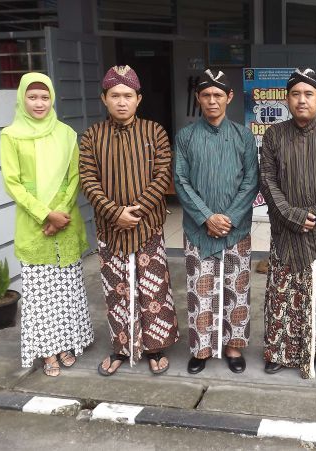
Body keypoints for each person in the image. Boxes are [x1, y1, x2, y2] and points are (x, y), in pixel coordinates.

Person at [79, 65, 178, 376]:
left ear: (139, 99)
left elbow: (162, 175)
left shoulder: (154, 132)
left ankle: (155, 347)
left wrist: (137, 210)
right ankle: (121, 348)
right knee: (117, 291)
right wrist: (114, 212)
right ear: (104, 99)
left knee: (153, 290)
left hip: (147, 226)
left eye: (128, 95)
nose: (121, 101)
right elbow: (88, 179)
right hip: (111, 229)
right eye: (115, 95)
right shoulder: (93, 136)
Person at [0, 72, 94, 377]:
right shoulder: (11, 135)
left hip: (65, 221)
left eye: (44, 97)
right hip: (34, 225)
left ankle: (66, 343)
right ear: (22, 99)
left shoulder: (66, 134)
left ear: (52, 98)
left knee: (66, 290)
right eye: (32, 97)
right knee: (41, 295)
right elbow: (13, 183)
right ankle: (48, 351)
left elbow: (74, 177)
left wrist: (60, 213)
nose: (39, 103)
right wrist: (45, 215)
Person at [260, 67, 316, 379]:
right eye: (296, 94)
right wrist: (293, 215)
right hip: (284, 228)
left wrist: (314, 214)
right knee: (281, 292)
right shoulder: (274, 135)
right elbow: (267, 179)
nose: (302, 99)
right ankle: (276, 350)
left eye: (308, 94)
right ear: (287, 99)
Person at [174, 69, 259, 374]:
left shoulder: (243, 136)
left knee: (236, 288)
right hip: (199, 229)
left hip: (236, 228)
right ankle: (202, 349)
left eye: (218, 95)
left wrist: (230, 218)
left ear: (229, 97)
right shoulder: (186, 136)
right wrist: (206, 217)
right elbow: (181, 180)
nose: (212, 100)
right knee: (201, 290)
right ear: (198, 98)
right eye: (206, 95)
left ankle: (233, 346)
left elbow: (251, 180)